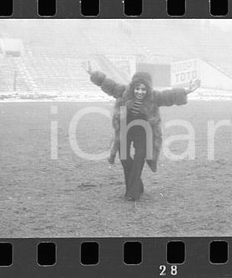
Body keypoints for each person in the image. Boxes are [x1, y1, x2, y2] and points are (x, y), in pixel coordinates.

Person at [85, 61, 200, 201]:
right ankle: (138, 186)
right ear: (133, 87)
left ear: (148, 89)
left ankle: (132, 193)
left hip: (144, 131)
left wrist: (187, 91)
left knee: (139, 158)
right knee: (124, 158)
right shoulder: (123, 92)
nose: (140, 92)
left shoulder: (154, 97)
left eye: (143, 89)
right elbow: (107, 84)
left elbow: (170, 96)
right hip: (125, 130)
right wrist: (92, 73)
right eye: (137, 89)